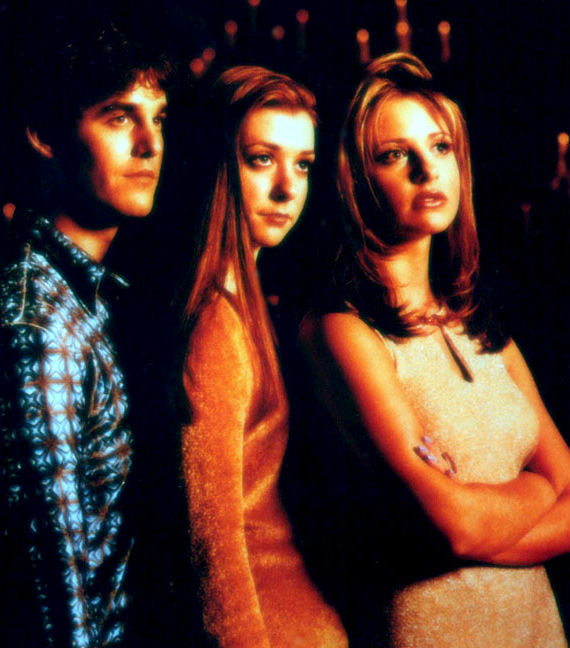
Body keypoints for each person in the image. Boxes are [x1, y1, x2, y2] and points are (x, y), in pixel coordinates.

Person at [300, 52, 570, 647]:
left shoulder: (481, 328)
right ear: (354, 180)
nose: (428, 170)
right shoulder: (343, 332)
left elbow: (490, 519)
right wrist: (539, 489)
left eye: (440, 146)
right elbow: (454, 529)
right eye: (394, 155)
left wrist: (478, 518)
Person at [0, 23, 170, 647]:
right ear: (46, 135)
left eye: (158, 118)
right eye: (120, 118)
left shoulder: (93, 291)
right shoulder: (38, 326)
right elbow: (56, 584)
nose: (150, 144)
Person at [179, 65, 347, 648]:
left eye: (302, 164)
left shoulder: (250, 303)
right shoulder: (214, 326)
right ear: (218, 164)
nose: (287, 188)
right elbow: (215, 551)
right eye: (261, 159)